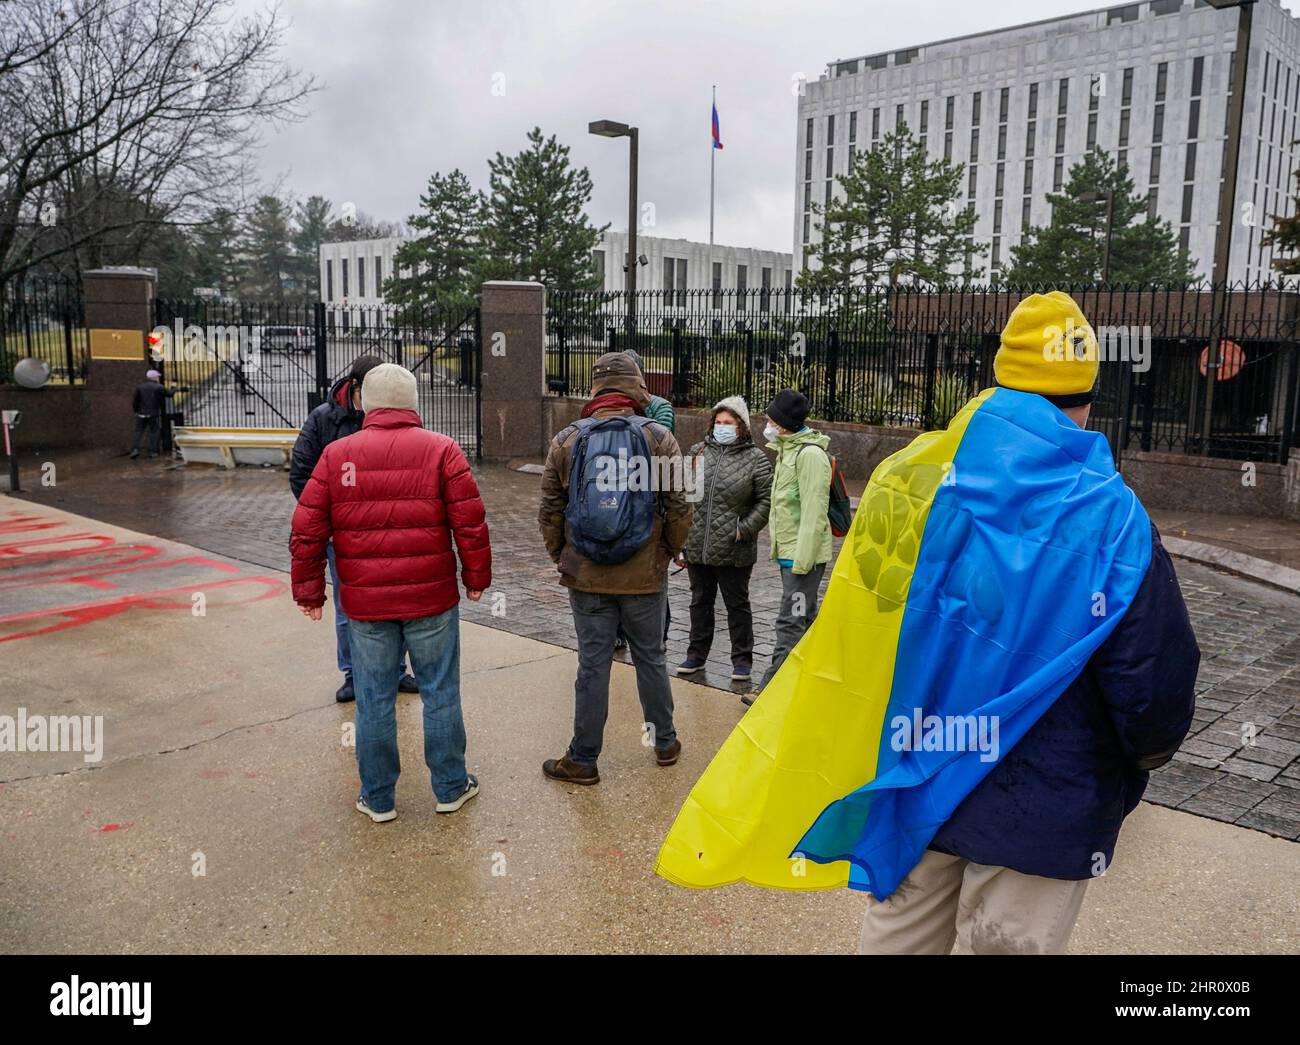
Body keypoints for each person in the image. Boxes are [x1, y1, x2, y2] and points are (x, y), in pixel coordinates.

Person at [654, 292, 1199, 957]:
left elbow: (869, 613)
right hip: (1045, 801)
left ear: (1001, 381)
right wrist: (1131, 764)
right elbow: (1154, 688)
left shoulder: (913, 479)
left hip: (919, 771)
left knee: (898, 938)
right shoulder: (1118, 520)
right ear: (1085, 397)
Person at [290, 363, 491, 823]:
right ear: (413, 402)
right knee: (440, 691)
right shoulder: (442, 450)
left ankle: (378, 798)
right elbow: (470, 522)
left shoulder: (338, 454)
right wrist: (476, 578)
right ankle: (450, 786)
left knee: (374, 698)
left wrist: (309, 591)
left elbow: (306, 526)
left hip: (366, 603)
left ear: (367, 403)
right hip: (432, 599)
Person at [537, 351, 692, 784]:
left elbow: (549, 510)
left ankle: (583, 759)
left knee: (592, 664)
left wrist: (561, 557)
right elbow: (681, 508)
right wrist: (666, 554)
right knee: (651, 658)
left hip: (585, 575)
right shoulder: (659, 438)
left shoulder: (566, 439)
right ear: (635, 388)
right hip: (644, 575)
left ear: (597, 390)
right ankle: (665, 742)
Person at [290, 354, 418, 703]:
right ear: (357, 387)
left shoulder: (395, 414)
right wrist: (329, 524)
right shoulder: (324, 419)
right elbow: (301, 474)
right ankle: (353, 674)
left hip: (388, 531)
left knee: (396, 604)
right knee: (349, 608)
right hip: (344, 536)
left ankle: (396, 672)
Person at [675, 395, 772, 684]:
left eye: (728, 423)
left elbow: (765, 502)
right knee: (699, 601)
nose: (721, 427)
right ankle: (696, 655)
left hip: (734, 548)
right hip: (698, 546)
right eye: (718, 422)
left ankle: (742, 660)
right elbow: (683, 495)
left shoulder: (756, 459)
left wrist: (743, 529)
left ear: (741, 426)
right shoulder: (697, 452)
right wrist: (681, 537)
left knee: (736, 604)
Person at [747, 388, 832, 702]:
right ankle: (813, 685)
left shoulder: (809, 455)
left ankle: (769, 691)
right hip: (790, 557)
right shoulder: (788, 450)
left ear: (784, 423)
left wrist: (802, 561)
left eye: (771, 419)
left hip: (801, 559)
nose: (767, 423)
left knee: (790, 620)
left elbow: (813, 510)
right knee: (805, 620)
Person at [620, 348, 675, 650]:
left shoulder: (660, 407)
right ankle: (619, 631)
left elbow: (662, 447)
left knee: (653, 573)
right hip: (620, 499)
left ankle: (658, 633)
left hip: (650, 499)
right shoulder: (604, 409)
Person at [129, 369, 177, 459]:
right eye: (158, 376)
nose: (159, 378)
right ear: (154, 377)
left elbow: (135, 401)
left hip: (141, 413)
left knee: (138, 432)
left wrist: (136, 411)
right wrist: (174, 387)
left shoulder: (140, 387)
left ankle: (135, 450)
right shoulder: (159, 387)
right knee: (154, 432)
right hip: (153, 414)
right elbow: (170, 394)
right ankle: (153, 452)